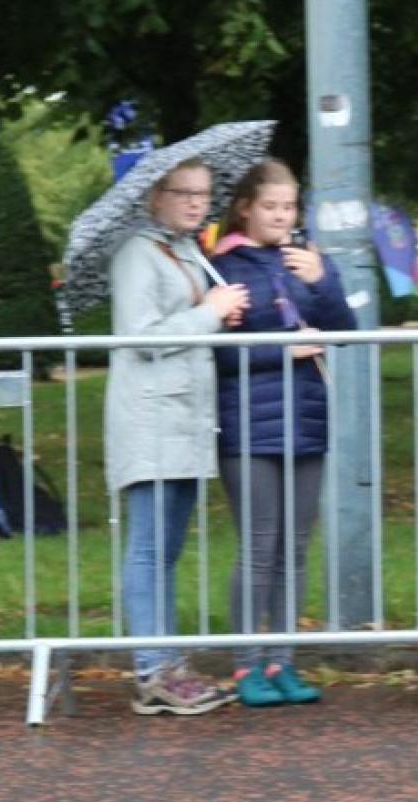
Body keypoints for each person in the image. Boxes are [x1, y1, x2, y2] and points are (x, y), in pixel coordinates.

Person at [208, 159, 355, 707]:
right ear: (246, 208)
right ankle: (247, 666)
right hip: (248, 426)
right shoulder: (222, 267)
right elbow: (216, 355)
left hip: (307, 420)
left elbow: (345, 329)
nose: (281, 216)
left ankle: (283, 661)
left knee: (294, 549)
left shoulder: (306, 259)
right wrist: (281, 350)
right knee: (259, 546)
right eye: (270, 206)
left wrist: (322, 280)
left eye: (289, 207)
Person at [107, 158, 249, 715]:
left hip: (184, 422)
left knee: (165, 550)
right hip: (152, 421)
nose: (196, 203)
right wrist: (210, 313)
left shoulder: (187, 251)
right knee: (149, 549)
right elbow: (140, 338)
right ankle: (151, 670)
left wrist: (217, 314)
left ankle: (168, 665)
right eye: (183, 192)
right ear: (155, 197)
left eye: (204, 194)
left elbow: (187, 323)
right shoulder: (137, 254)